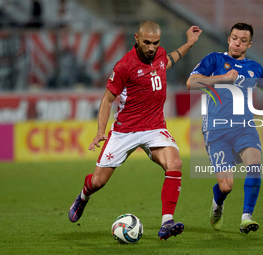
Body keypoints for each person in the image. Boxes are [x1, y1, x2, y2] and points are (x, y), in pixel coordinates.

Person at [68, 21, 202, 240]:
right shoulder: (124, 65)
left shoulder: (158, 54)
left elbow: (167, 61)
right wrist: (100, 131)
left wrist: (189, 43)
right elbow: (107, 98)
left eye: (155, 43)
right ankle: (83, 196)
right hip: (125, 131)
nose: (151, 48)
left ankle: (166, 222)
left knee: (175, 163)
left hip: (155, 127)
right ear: (136, 38)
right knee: (98, 182)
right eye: (147, 42)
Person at [186, 23, 263, 234]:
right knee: (226, 186)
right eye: (235, 38)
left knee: (255, 162)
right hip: (216, 130)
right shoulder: (214, 60)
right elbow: (192, 83)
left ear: (249, 44)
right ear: (228, 39)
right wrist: (222, 79)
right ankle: (218, 203)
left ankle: (246, 217)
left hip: (244, 127)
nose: (238, 43)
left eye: (243, 40)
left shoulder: (256, 68)